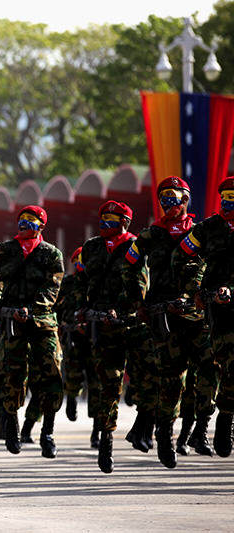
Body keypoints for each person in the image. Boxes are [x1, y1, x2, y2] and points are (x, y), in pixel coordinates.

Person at [125, 177, 219, 468]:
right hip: (164, 316)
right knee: (171, 380)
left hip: (198, 314)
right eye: (164, 199)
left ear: (186, 200)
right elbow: (129, 267)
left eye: (174, 198)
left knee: (210, 367)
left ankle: (201, 429)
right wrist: (138, 302)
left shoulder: (200, 232)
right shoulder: (150, 235)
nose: (169, 204)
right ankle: (164, 435)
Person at [0, 205, 63, 459]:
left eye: (31, 221)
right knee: (12, 374)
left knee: (51, 374)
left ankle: (47, 432)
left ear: (41, 225)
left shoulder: (51, 254)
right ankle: (12, 426)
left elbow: (53, 288)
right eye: (22, 220)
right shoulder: (4, 251)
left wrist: (31, 308)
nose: (25, 224)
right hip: (12, 323)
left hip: (42, 322)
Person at [74, 200, 148, 473]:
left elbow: (140, 284)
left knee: (148, 377)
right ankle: (105, 440)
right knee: (108, 383)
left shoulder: (135, 246)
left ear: (125, 223)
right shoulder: (91, 247)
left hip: (134, 323)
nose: (104, 225)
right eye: (102, 220)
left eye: (111, 221)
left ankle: (144, 426)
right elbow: (81, 282)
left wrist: (127, 307)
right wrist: (81, 309)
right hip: (103, 325)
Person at [172, 177, 234, 458]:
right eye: (226, 198)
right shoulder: (206, 229)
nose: (229, 203)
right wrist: (196, 290)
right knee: (228, 366)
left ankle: (224, 417)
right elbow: (180, 256)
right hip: (219, 313)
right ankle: (224, 420)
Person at [54, 247, 100, 447]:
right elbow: (55, 306)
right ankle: (71, 398)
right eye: (78, 261)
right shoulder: (68, 283)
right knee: (73, 373)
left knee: (97, 383)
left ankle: (97, 431)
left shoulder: (99, 283)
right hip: (73, 336)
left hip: (96, 338)